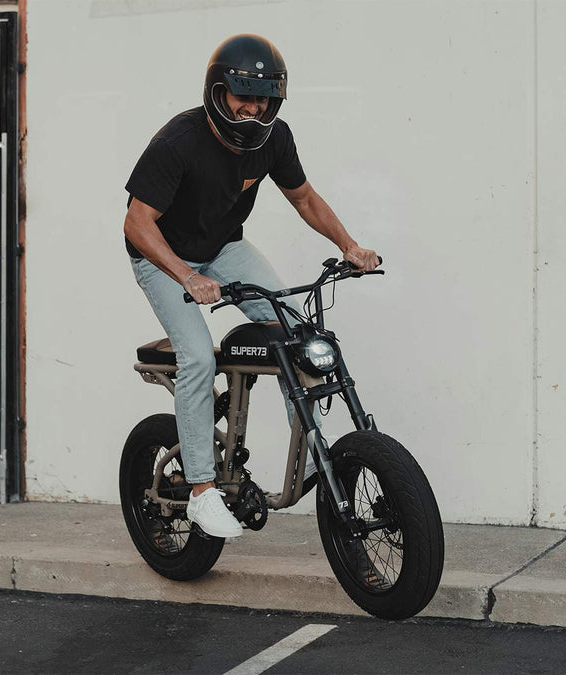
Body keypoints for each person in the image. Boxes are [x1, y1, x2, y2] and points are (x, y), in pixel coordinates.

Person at [123, 34, 380, 539]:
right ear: (218, 93)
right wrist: (187, 276)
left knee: (295, 330)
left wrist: (349, 246)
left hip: (223, 248)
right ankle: (200, 491)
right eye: (243, 96)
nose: (252, 108)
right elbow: (137, 222)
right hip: (163, 257)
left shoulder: (275, 138)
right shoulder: (179, 142)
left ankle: (307, 453)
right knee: (197, 355)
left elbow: (304, 198)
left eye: (262, 98)